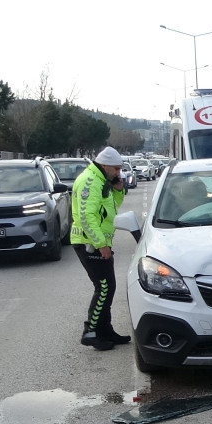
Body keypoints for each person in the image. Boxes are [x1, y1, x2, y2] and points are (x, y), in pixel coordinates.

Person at [71, 146, 130, 351]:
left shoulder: (101, 180)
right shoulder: (90, 181)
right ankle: (91, 331)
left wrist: (118, 189)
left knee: (108, 287)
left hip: (97, 242)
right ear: (104, 165)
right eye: (115, 169)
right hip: (89, 243)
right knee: (104, 287)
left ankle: (105, 330)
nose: (118, 173)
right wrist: (100, 244)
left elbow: (111, 208)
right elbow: (87, 216)